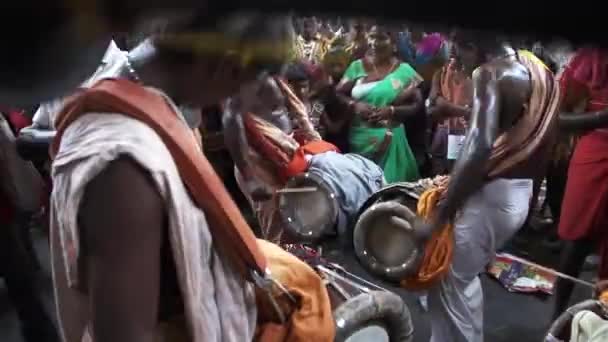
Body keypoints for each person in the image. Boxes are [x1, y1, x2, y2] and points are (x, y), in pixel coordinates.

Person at [49, 13, 293, 342]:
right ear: (228, 66)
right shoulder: (125, 164)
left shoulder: (144, 106)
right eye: (239, 85)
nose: (227, 100)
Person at [405, 32, 560, 342]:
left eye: (459, 54)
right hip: (518, 194)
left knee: (449, 277)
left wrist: (439, 217)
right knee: (461, 279)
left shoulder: (489, 74)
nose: (458, 63)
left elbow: (478, 148)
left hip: (491, 197)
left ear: (473, 46)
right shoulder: (539, 71)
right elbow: (546, 140)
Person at [553, 47, 608, 320]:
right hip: (594, 153)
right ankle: (556, 324)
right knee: (575, 238)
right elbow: (557, 117)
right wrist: (600, 118)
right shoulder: (588, 61)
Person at [336, 25, 423, 183]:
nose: (374, 43)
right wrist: (354, 105)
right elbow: (337, 93)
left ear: (395, 44)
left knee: (388, 194)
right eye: (372, 36)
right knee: (360, 189)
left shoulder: (404, 71)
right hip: (359, 140)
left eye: (381, 38)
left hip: (390, 141)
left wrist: (391, 110)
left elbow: (417, 105)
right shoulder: (357, 67)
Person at [427, 54, 473, 175]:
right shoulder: (441, 73)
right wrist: (466, 112)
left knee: (458, 172)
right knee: (439, 174)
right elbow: (434, 105)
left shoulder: (476, 74)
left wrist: (446, 107)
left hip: (465, 133)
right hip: (444, 132)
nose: (453, 49)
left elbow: (440, 104)